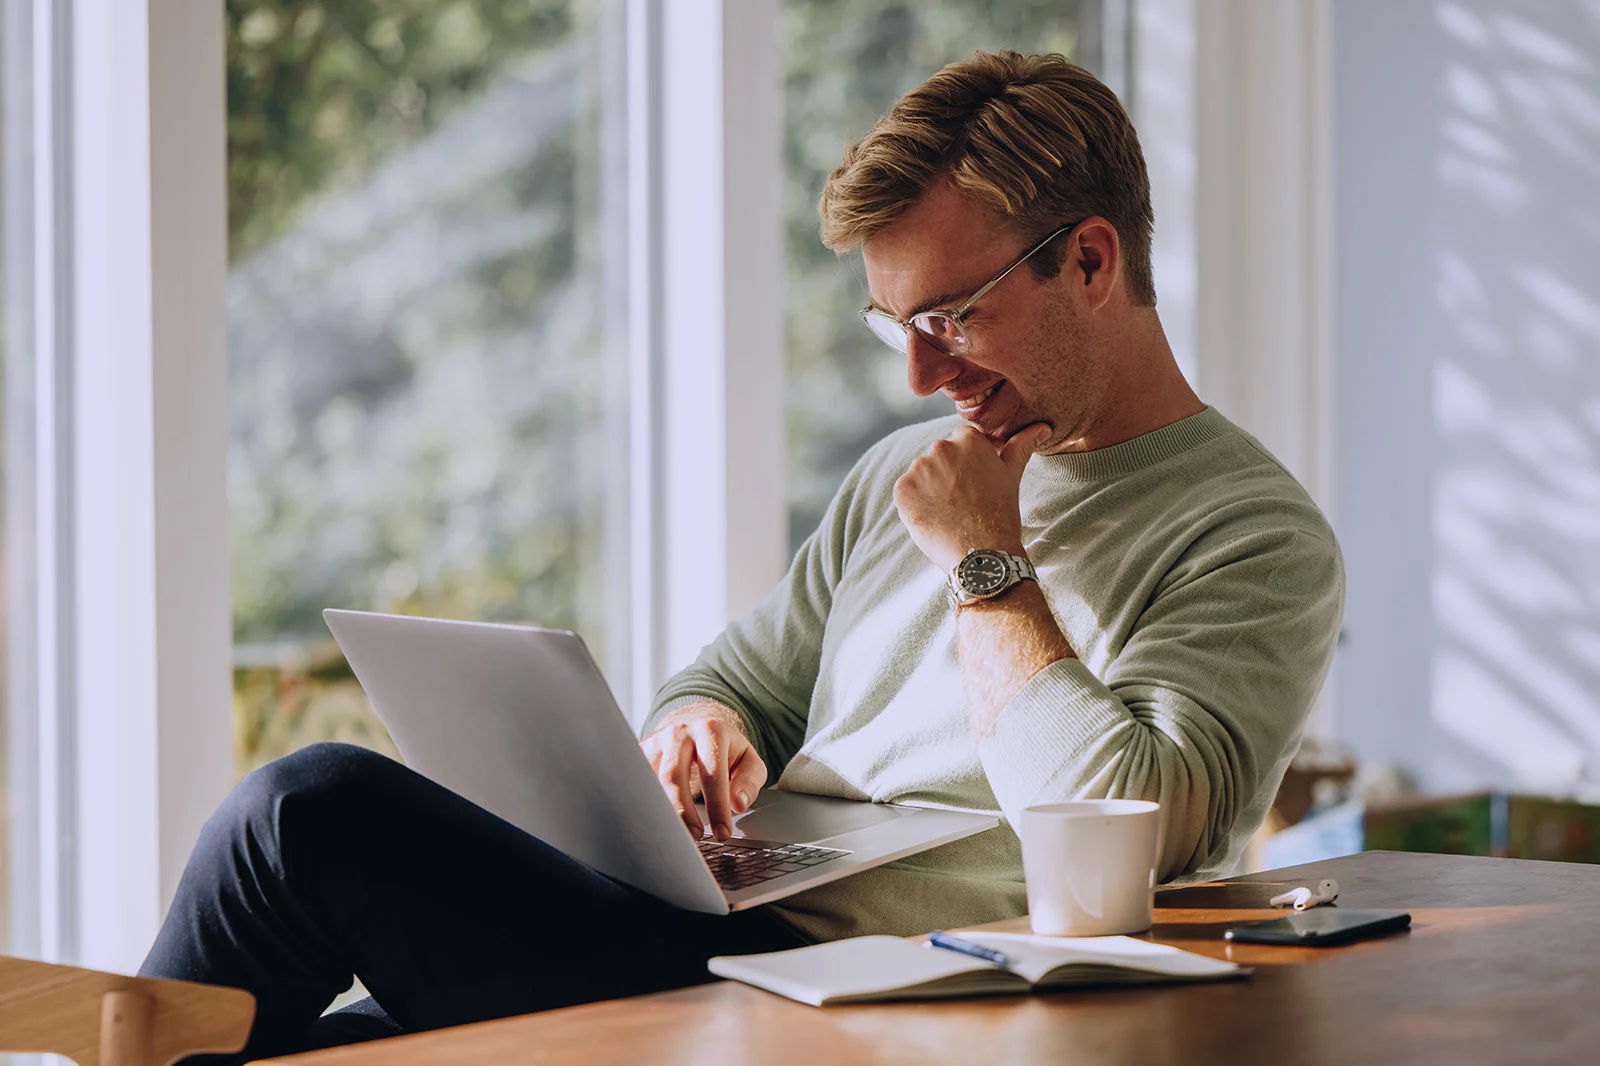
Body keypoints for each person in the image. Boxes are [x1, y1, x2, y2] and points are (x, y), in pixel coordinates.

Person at [142, 50, 1342, 1061]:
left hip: (874, 989)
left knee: (305, 814)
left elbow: (1131, 826)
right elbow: (733, 683)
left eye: (951, 317)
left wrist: (985, 560)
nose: (922, 377)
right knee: (278, 1044)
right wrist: (695, 732)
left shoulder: (1253, 538)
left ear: (1089, 262)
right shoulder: (898, 478)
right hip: (700, 924)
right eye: (895, 328)